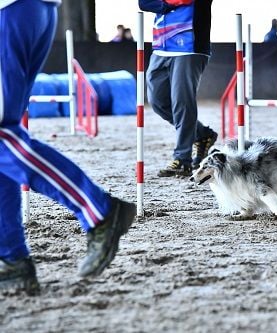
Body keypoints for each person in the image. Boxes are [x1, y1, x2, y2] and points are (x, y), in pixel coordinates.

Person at [0, 0, 136, 294]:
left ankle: (100, 209)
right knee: (5, 140)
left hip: (9, 13)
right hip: (31, 11)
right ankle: (10, 257)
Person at [139, 0, 218, 177]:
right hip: (161, 46)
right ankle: (202, 134)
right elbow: (144, 3)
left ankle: (182, 159)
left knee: (182, 103)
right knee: (157, 102)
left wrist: (165, 3)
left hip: (189, 46)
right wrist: (166, 4)